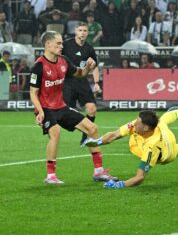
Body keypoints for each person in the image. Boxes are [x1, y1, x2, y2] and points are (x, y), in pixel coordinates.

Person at [29, 30, 116, 184]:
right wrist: (40, 112)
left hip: (61, 106)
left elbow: (80, 74)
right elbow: (33, 93)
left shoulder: (63, 61)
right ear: (48, 44)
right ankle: (50, 176)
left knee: (92, 129)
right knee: (55, 133)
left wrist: (88, 68)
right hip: (45, 108)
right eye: (58, 43)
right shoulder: (39, 66)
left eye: (62, 43)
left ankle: (98, 171)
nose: (62, 46)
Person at [82, 106, 178, 188]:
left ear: (145, 127)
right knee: (163, 119)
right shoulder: (140, 126)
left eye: (138, 122)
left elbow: (139, 178)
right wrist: (97, 142)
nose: (134, 123)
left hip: (167, 152)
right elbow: (114, 134)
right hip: (156, 133)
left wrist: (119, 184)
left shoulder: (151, 147)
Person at [62, 22, 101, 145]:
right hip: (67, 81)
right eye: (80, 30)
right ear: (75, 31)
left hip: (82, 82)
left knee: (92, 109)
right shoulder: (66, 45)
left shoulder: (89, 48)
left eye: (85, 31)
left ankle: (86, 136)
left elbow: (94, 67)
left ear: (87, 33)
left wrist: (96, 83)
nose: (82, 33)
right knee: (66, 114)